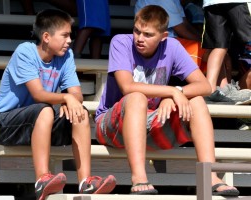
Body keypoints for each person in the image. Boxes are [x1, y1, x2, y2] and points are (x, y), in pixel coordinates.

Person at [95, 5, 239, 196]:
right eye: (137, 31)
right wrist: (170, 92)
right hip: (112, 126)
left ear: (163, 37)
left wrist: (176, 92)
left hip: (151, 125)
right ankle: (139, 178)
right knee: (137, 98)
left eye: (147, 34)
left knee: (196, 102)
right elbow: (127, 87)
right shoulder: (120, 42)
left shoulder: (172, 46)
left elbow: (204, 86)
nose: (139, 38)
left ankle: (210, 176)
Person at [0, 9, 116, 200]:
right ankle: (42, 179)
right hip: (4, 124)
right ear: (46, 37)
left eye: (70, 35)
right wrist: (64, 99)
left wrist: (70, 102)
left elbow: (76, 95)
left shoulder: (66, 56)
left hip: (41, 121)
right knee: (46, 110)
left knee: (79, 112)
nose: (70, 40)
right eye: (65, 35)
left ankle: (86, 182)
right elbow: (38, 94)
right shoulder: (25, 51)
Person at [202, 0, 251, 104]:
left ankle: (216, 89)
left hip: (212, 3)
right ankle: (215, 89)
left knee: (219, 46)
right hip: (236, 2)